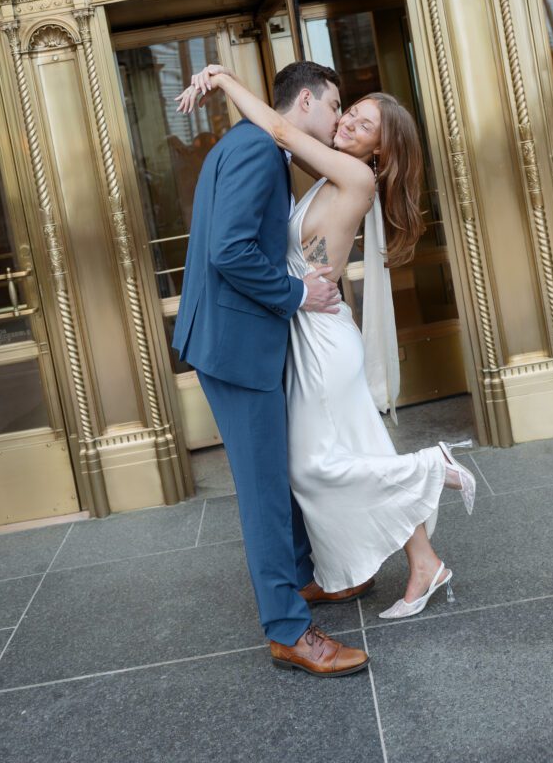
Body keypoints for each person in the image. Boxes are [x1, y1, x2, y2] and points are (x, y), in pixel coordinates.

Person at [178, 63, 476, 633]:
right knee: (356, 444)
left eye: (360, 123)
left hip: (321, 336)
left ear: (379, 153)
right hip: (308, 326)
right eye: (348, 110)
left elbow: (285, 130)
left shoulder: (355, 178)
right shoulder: (327, 176)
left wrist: (223, 80)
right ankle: (425, 563)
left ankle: (431, 467)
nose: (346, 123)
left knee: (312, 466)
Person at [172, 61, 371, 678]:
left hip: (233, 339)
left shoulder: (248, 142)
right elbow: (227, 250)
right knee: (262, 491)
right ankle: (288, 631)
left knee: (275, 475)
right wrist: (297, 294)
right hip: (237, 346)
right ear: (305, 100)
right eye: (335, 105)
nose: (338, 117)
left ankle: (306, 577)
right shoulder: (260, 152)